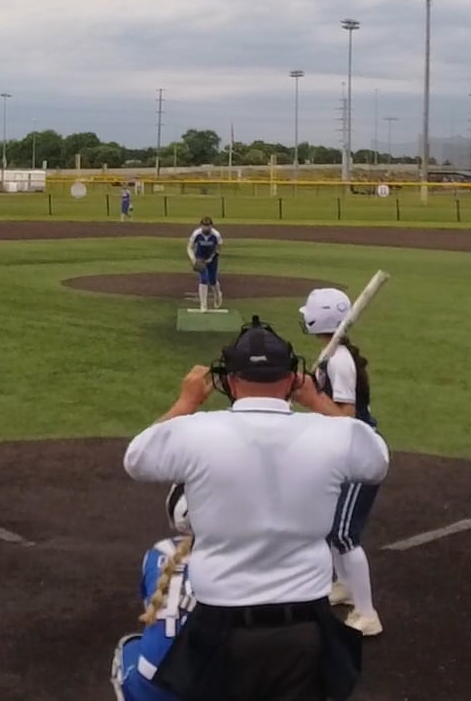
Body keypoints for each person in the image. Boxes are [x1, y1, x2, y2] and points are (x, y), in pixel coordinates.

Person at [124, 319, 388, 700]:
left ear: (230, 381)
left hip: (221, 627)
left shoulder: (196, 432)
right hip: (304, 627)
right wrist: (317, 400)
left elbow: (136, 458)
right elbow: (377, 458)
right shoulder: (333, 435)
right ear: (292, 379)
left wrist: (186, 402)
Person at [299, 288, 383, 638]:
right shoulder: (331, 355)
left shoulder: (339, 361)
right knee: (329, 528)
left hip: (358, 454)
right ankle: (346, 586)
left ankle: (367, 614)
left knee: (344, 533)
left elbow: (346, 418)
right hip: (340, 452)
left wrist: (310, 397)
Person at [110, 485, 199, 701]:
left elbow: (152, 613)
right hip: (214, 683)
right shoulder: (238, 557)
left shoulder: (157, 552)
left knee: (128, 648)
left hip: (153, 681)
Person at [188, 217, 224, 311]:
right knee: (203, 278)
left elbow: (219, 248)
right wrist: (193, 259)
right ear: (201, 226)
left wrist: (212, 258)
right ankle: (203, 305)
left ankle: (218, 294)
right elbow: (189, 247)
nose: (206, 228)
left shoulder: (216, 235)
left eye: (208, 226)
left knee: (212, 280)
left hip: (212, 258)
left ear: (211, 226)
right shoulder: (197, 234)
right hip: (200, 258)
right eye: (204, 226)